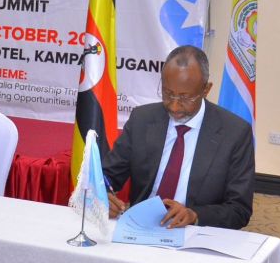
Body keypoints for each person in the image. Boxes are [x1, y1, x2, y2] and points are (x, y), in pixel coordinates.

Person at [103, 45, 254, 229]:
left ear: (206, 90)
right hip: (140, 227)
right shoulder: (142, 119)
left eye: (185, 98)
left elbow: (239, 209)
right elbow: (107, 175)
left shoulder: (235, 133)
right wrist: (102, 195)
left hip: (194, 232)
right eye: (168, 94)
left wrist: (194, 215)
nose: (174, 106)